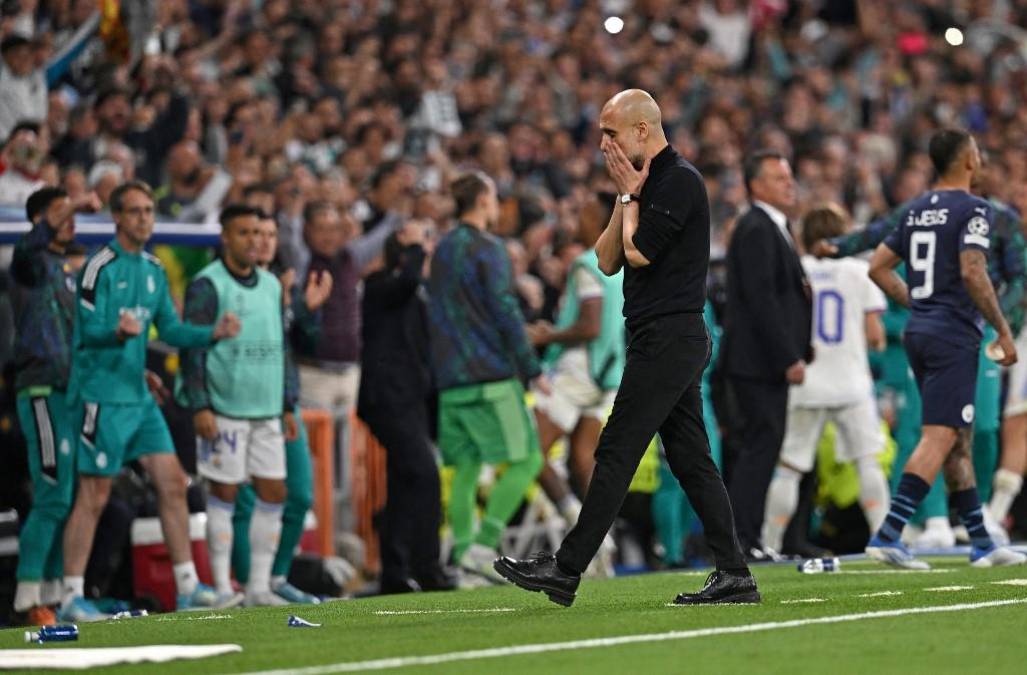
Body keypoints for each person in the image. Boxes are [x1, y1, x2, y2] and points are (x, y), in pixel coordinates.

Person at [495, 89, 756, 607]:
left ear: (642, 130)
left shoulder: (678, 180)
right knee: (691, 460)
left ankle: (566, 569)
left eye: (611, 133)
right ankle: (735, 573)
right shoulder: (642, 184)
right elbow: (607, 258)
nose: (602, 144)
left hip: (668, 337)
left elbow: (636, 253)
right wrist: (625, 195)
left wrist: (629, 195)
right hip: (662, 338)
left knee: (614, 450)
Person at [59, 181, 241, 622]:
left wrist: (211, 334)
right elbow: (84, 333)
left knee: (174, 482)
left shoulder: (154, 270)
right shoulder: (97, 268)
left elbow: (172, 331)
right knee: (94, 494)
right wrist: (116, 333)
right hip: (101, 397)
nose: (144, 219)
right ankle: (69, 595)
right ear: (117, 217)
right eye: (136, 211)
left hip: (139, 400)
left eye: (149, 211)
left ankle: (187, 586)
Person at [865, 128, 1025, 569]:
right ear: (968, 160)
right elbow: (974, 270)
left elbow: (878, 268)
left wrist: (918, 302)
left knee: (956, 436)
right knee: (940, 435)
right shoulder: (976, 209)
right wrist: (1002, 329)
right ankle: (890, 533)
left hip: (921, 330)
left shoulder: (915, 210)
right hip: (954, 333)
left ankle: (980, 539)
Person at [427, 171, 546, 585]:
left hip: (448, 380)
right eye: (494, 196)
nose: (497, 205)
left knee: (465, 467)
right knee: (527, 459)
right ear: (481, 200)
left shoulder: (440, 249)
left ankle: (462, 555)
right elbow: (504, 309)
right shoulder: (489, 248)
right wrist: (531, 367)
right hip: (490, 377)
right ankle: (482, 546)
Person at [177, 204, 291, 607]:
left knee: (274, 491)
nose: (254, 240)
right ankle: (224, 588)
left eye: (259, 233)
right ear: (225, 237)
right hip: (224, 407)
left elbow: (283, 345)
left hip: (266, 408)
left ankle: (259, 587)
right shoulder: (208, 285)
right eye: (244, 233)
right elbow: (192, 345)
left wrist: (288, 402)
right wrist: (200, 404)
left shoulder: (272, 285)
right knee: (223, 494)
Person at [761, 203, 891, 556]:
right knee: (867, 460)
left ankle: (769, 545)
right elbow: (875, 335)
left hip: (806, 383)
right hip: (850, 382)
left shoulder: (796, 269)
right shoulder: (857, 271)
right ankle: (885, 540)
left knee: (788, 469)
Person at [229, 212, 330, 605]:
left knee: (299, 495)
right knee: (244, 498)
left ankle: (274, 577)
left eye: (270, 235)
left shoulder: (277, 286)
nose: (264, 241)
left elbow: (305, 345)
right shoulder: (228, 285)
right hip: (239, 404)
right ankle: (240, 583)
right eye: (256, 233)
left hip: (283, 404)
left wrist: (308, 309)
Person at [720, 150, 813, 560]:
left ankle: (748, 539)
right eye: (778, 178)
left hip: (759, 362)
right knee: (759, 448)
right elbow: (762, 301)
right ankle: (742, 540)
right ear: (755, 185)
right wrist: (787, 356)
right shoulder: (758, 228)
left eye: (788, 177)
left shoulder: (771, 226)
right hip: (758, 363)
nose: (788, 184)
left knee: (761, 448)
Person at [358, 222, 452, 594]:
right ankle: (427, 567)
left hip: (410, 399)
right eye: (420, 246)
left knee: (404, 481)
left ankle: (395, 572)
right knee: (425, 475)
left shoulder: (416, 293)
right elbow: (406, 281)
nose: (426, 252)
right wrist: (414, 248)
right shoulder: (379, 285)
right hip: (387, 398)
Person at [10, 187, 78, 626]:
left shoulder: (66, 271)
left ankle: (53, 597)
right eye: (59, 211)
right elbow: (26, 246)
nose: (70, 217)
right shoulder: (29, 266)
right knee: (52, 491)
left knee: (64, 496)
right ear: (39, 220)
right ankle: (28, 596)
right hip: (39, 390)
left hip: (68, 392)